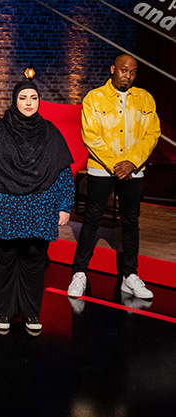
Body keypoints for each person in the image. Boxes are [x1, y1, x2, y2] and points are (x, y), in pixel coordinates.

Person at [0, 81, 74, 335]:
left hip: (40, 204)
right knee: (2, 257)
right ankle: (2, 310)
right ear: (15, 100)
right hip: (3, 204)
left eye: (33, 97)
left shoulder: (50, 132)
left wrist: (65, 204)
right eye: (23, 97)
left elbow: (62, 171)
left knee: (34, 258)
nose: (29, 102)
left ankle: (31, 311)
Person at [67, 54, 160, 300]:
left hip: (134, 170)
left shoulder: (145, 98)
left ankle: (130, 275)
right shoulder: (94, 98)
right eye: (123, 70)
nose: (127, 76)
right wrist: (116, 164)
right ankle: (79, 273)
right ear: (113, 69)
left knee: (131, 222)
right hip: (101, 169)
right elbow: (91, 135)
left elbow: (152, 132)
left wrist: (133, 162)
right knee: (92, 220)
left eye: (132, 72)